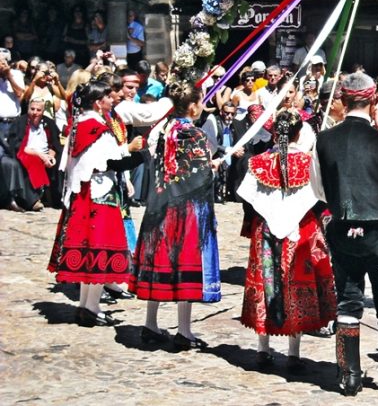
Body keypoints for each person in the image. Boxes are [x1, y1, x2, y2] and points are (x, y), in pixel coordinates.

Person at [310, 72, 378, 395]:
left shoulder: (323, 140)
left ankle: (349, 375)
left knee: (347, 301)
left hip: (342, 231)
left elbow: (318, 189)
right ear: (373, 101)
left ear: (342, 101)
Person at [237, 109, 336, 370]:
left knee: (266, 282)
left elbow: (248, 200)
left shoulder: (259, 162)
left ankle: (263, 347)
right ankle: (294, 352)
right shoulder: (308, 162)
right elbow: (321, 197)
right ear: (299, 132)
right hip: (301, 229)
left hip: (266, 230)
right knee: (295, 283)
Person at [128, 83, 222, 349]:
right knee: (184, 262)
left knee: (159, 258)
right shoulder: (195, 134)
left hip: (159, 203)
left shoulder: (164, 129)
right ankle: (183, 329)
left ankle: (150, 323)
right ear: (193, 106)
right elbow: (200, 175)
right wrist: (212, 167)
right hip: (185, 207)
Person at [47, 80, 145, 326]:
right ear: (99, 102)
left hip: (83, 194)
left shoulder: (80, 125)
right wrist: (142, 155)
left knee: (89, 250)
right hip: (99, 195)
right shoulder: (97, 128)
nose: (112, 100)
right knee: (101, 248)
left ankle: (85, 305)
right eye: (108, 98)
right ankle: (91, 307)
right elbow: (113, 163)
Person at [6, 98, 62, 211]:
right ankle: (32, 200)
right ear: (28, 109)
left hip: (46, 154)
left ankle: (58, 198)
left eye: (38, 110)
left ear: (43, 111)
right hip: (27, 152)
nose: (35, 112)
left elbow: (55, 144)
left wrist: (51, 156)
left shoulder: (49, 123)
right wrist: (40, 155)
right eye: (32, 109)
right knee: (31, 161)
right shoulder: (20, 122)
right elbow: (17, 146)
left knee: (61, 162)